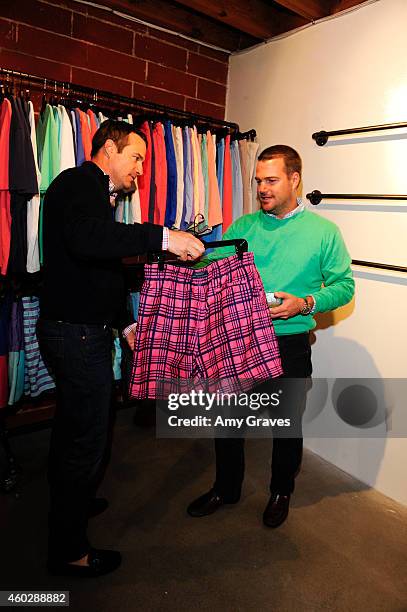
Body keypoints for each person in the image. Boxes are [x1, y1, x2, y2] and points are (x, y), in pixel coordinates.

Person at [37, 120, 204, 577]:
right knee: (87, 439)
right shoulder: (77, 183)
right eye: (136, 158)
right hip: (76, 335)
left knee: (76, 429)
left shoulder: (93, 194)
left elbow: (99, 268)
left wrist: (126, 323)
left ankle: (73, 502)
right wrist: (164, 236)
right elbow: (87, 240)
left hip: (79, 330)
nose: (141, 169)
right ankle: (69, 551)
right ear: (108, 149)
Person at [187, 145, 355, 527]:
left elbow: (344, 287)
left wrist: (306, 303)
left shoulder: (324, 232)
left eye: (271, 180)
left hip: (289, 344)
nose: (262, 188)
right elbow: (212, 266)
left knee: (286, 423)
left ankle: (281, 491)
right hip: (239, 338)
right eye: (259, 180)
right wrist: (193, 256)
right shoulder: (244, 226)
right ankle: (226, 489)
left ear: (294, 179)